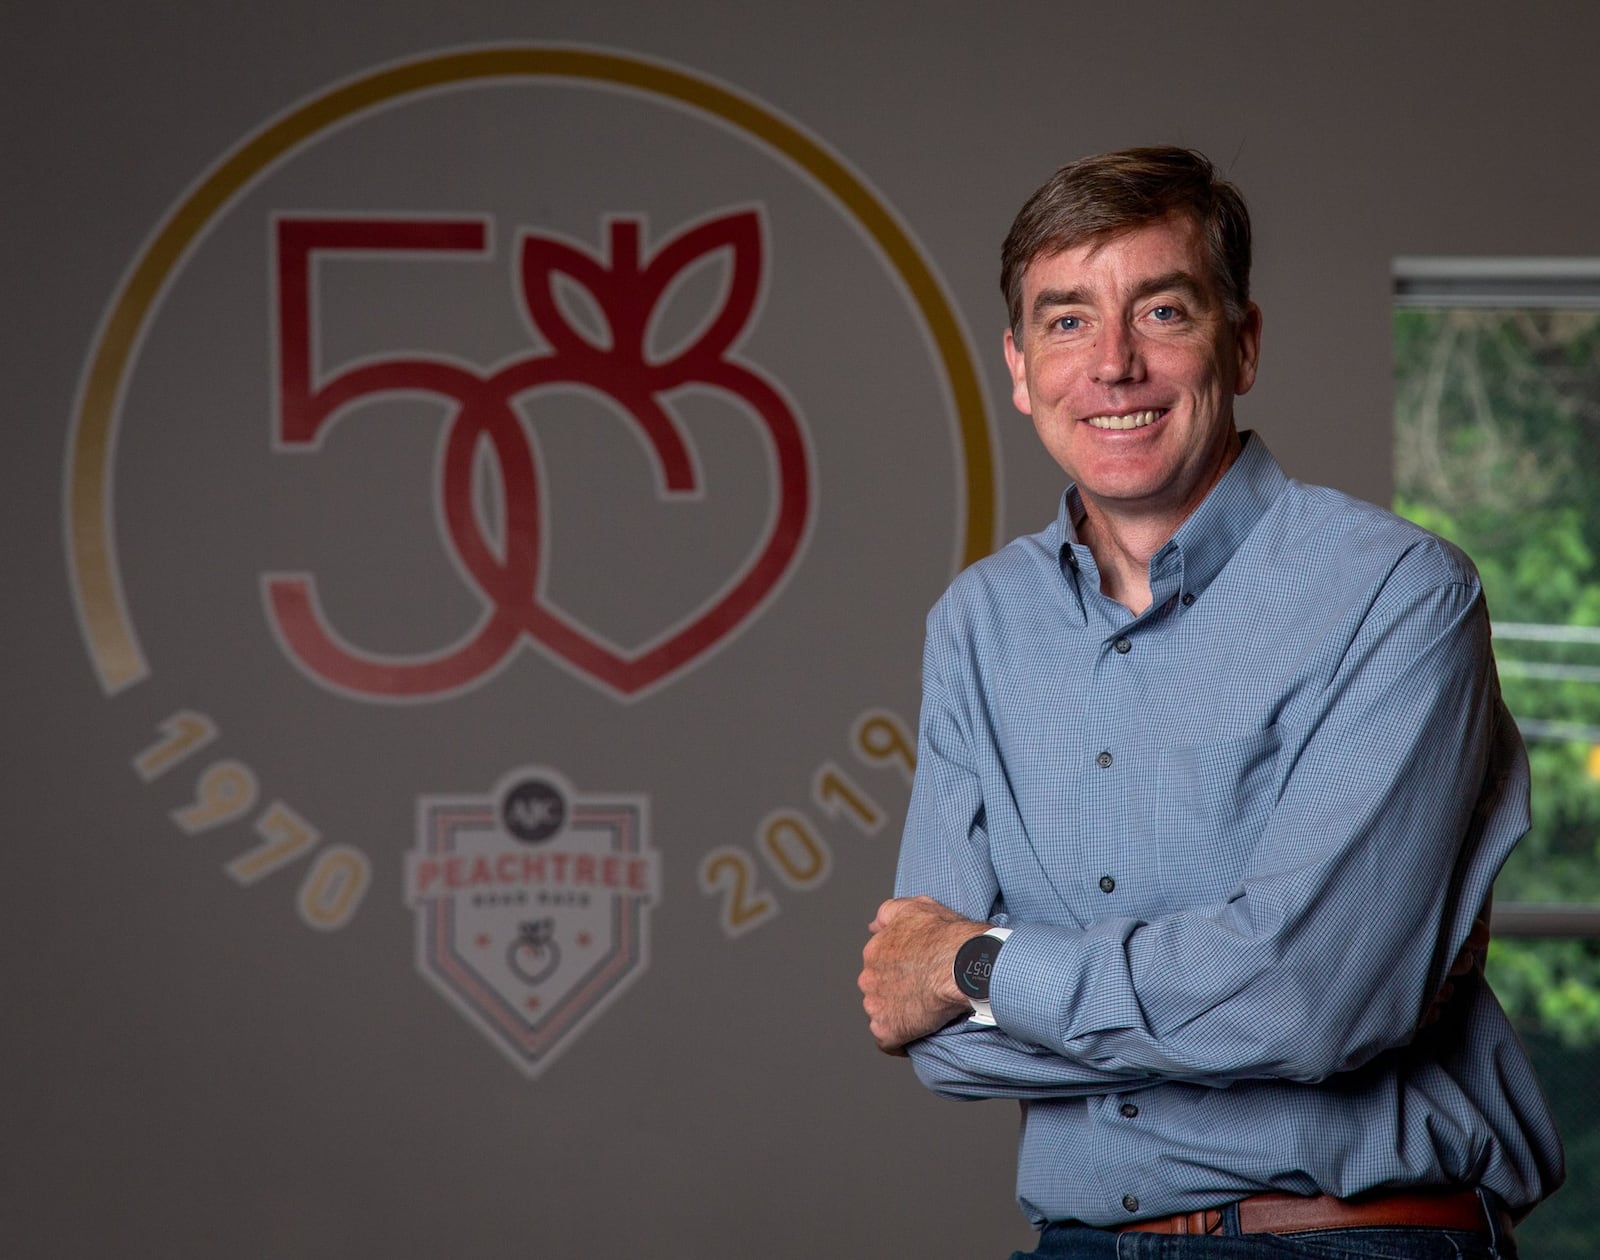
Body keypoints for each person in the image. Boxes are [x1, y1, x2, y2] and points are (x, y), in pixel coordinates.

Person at [857, 147, 1563, 1259]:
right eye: (1066, 321)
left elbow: (1311, 1003)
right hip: (1080, 1241)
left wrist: (980, 967)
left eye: (1163, 310)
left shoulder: (1396, 594)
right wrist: (1261, 1003)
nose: (1115, 365)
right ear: (1017, 366)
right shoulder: (976, 626)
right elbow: (927, 1032)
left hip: (1349, 1236)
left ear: (1242, 342)